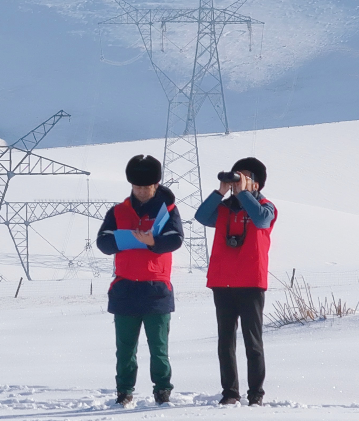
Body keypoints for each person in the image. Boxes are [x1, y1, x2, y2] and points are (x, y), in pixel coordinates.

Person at [97, 154, 184, 407]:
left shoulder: (168, 211)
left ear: (156, 185)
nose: (142, 192)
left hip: (157, 289)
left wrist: (152, 242)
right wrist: (124, 240)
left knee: (159, 348)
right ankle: (124, 391)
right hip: (125, 288)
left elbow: (175, 239)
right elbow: (103, 242)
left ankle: (163, 390)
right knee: (125, 349)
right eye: (137, 187)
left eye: (146, 187)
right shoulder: (117, 211)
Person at [194, 156, 277, 407]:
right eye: (236, 176)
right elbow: (201, 216)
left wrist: (244, 195)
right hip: (223, 282)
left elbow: (262, 220)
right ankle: (230, 392)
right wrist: (221, 191)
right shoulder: (224, 208)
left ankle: (256, 395)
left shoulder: (266, 206)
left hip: (251, 282)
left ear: (257, 183)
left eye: (245, 178)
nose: (238, 181)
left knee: (253, 342)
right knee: (225, 342)